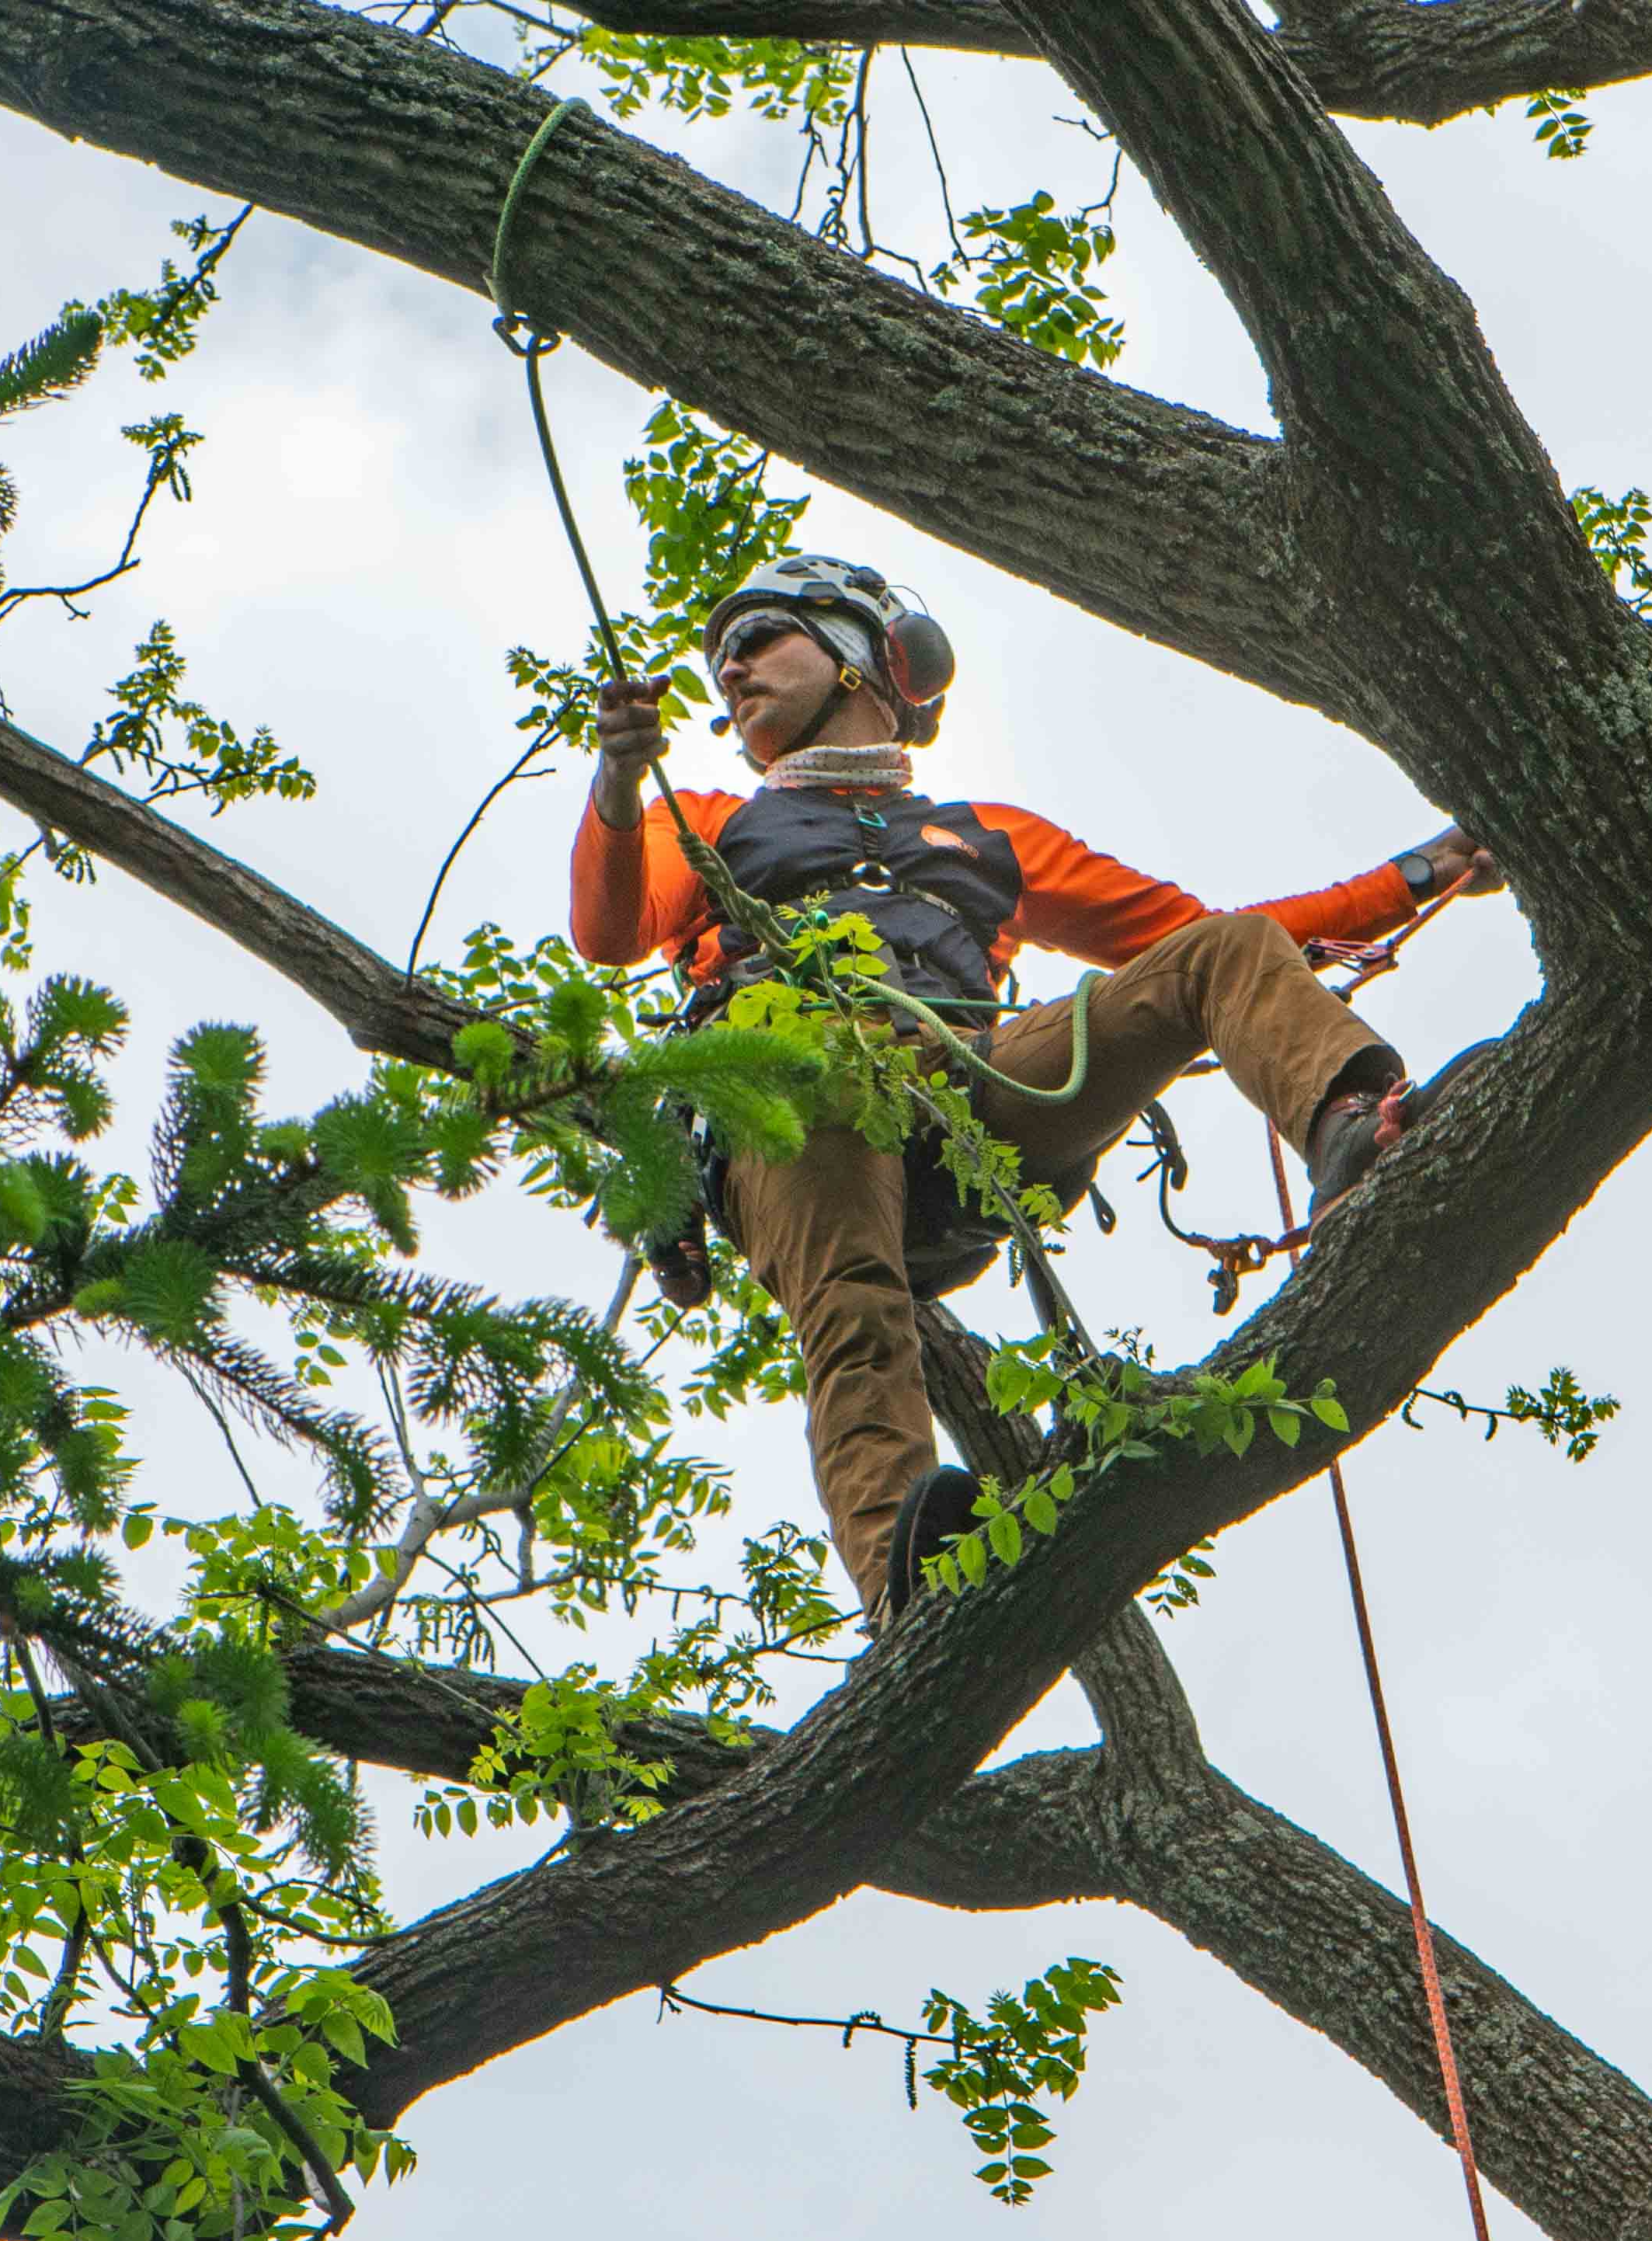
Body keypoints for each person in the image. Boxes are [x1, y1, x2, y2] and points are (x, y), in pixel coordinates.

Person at [571, 552, 1497, 1625]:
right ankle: (911, 1582)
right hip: (798, 1103)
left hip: (968, 1092)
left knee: (1218, 955)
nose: (729, 673)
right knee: (855, 1318)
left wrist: (1423, 872)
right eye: (721, 658)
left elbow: (1218, 938)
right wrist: (616, 785)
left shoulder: (991, 839)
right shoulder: (709, 821)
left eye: (759, 638)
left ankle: (1355, 1126)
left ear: (864, 657)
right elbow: (609, 928)